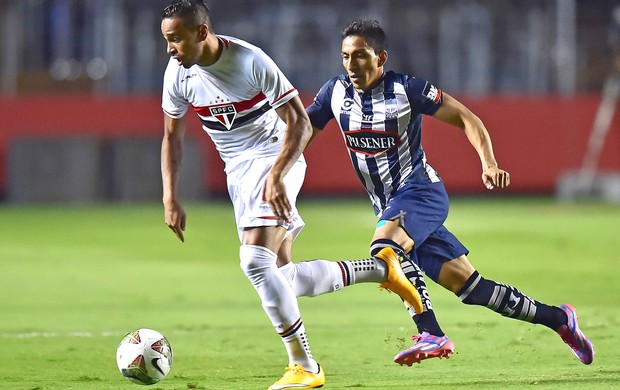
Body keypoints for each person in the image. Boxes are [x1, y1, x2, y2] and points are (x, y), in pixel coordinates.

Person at [300, 18, 594, 366]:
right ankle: (560, 319)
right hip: (391, 205)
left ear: (381, 58)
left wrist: (488, 162)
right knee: (473, 289)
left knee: (386, 249)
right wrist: (272, 170)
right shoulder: (334, 92)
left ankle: (432, 333)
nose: (352, 65)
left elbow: (468, 118)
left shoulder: (407, 89)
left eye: (361, 56)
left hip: (421, 192)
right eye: (346, 56)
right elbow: (302, 132)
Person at [159, 3, 423, 389]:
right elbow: (171, 137)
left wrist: (279, 174)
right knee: (283, 277)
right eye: (166, 40)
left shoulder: (250, 61)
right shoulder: (178, 74)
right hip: (240, 172)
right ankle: (384, 270)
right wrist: (170, 197)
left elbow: (299, 122)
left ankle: (305, 366)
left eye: (175, 39)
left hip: (276, 157)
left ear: (200, 33)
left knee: (253, 260)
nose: (169, 49)